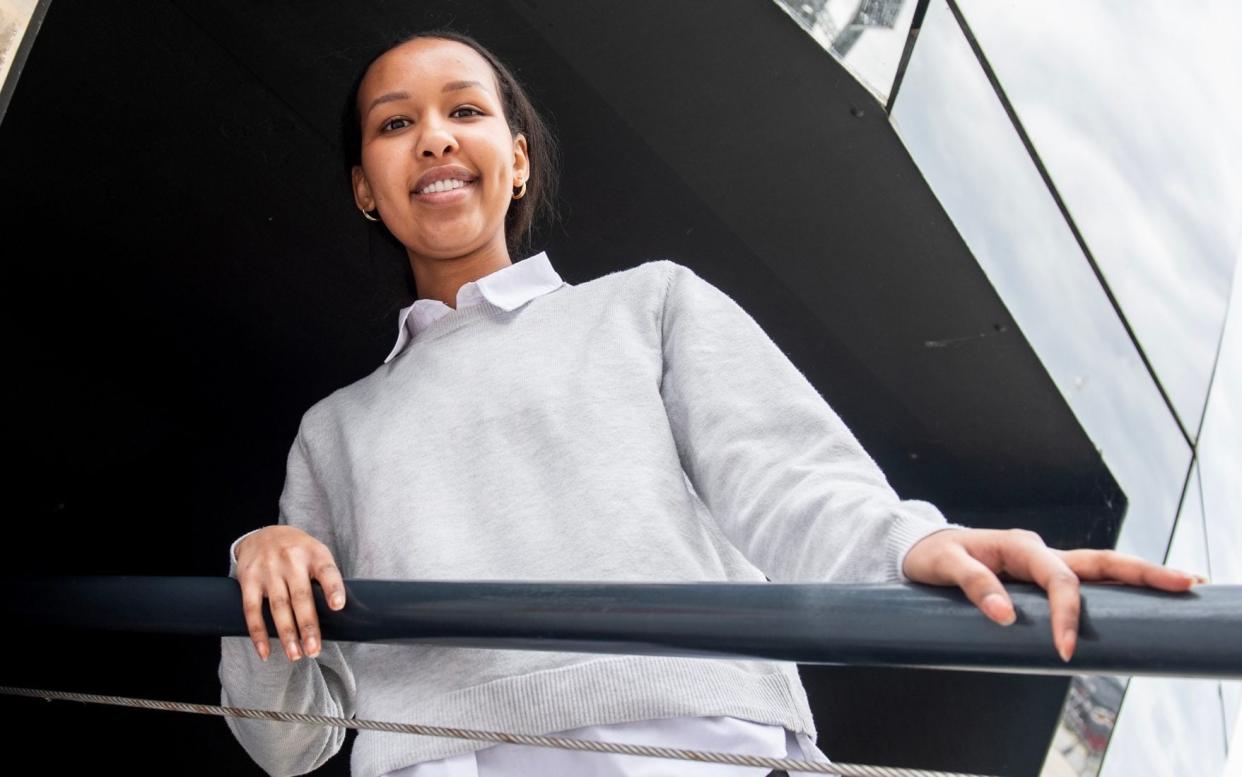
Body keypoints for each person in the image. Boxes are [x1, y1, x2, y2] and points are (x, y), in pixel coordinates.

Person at [218, 29, 1205, 777]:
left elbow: (792, 487)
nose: (432, 137)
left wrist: (912, 545)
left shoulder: (648, 304)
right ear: (365, 187)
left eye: (464, 111)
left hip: (693, 748)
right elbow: (288, 738)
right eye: (395, 123)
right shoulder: (336, 431)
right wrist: (252, 573)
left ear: (515, 159)